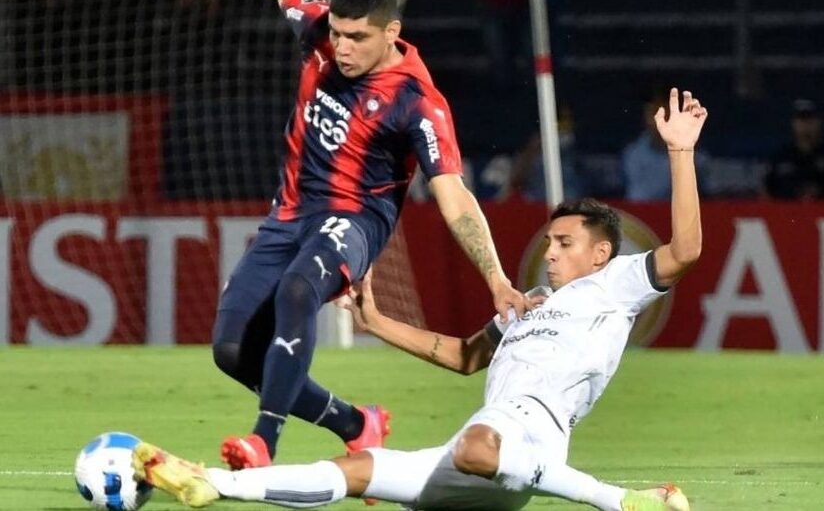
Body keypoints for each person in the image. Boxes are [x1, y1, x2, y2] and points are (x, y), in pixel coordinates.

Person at [132, 88, 705, 511]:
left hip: (529, 436)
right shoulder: (529, 302)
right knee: (356, 469)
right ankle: (212, 484)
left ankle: (626, 502)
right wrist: (376, 321)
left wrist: (680, 153)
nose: (550, 253)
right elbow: (461, 356)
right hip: (483, 448)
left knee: (478, 445)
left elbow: (685, 250)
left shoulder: (617, 286)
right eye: (550, 241)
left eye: (565, 243)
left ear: (601, 253)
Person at [212, 0, 531, 471]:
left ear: (391, 33)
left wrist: (495, 275)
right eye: (338, 34)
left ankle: (263, 442)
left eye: (358, 37)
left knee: (299, 289)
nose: (342, 48)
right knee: (231, 351)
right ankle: (357, 426)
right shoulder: (319, 29)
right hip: (289, 215)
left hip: (355, 221)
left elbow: (453, 195)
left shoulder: (418, 103)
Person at [622, 90, 709, 201]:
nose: (656, 121)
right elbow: (636, 197)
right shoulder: (633, 154)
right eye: (652, 113)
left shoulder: (697, 158)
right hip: (642, 214)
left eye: (663, 113)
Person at [762, 98, 824, 200]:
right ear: (793, 124)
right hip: (784, 214)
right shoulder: (780, 157)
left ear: (819, 123)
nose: (806, 125)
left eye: (810, 120)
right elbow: (766, 191)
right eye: (801, 120)